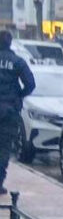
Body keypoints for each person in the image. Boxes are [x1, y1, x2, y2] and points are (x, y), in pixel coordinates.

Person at [0, 31, 35, 195]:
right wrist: (18, 95)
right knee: (4, 148)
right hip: (9, 111)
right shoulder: (17, 62)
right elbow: (30, 84)